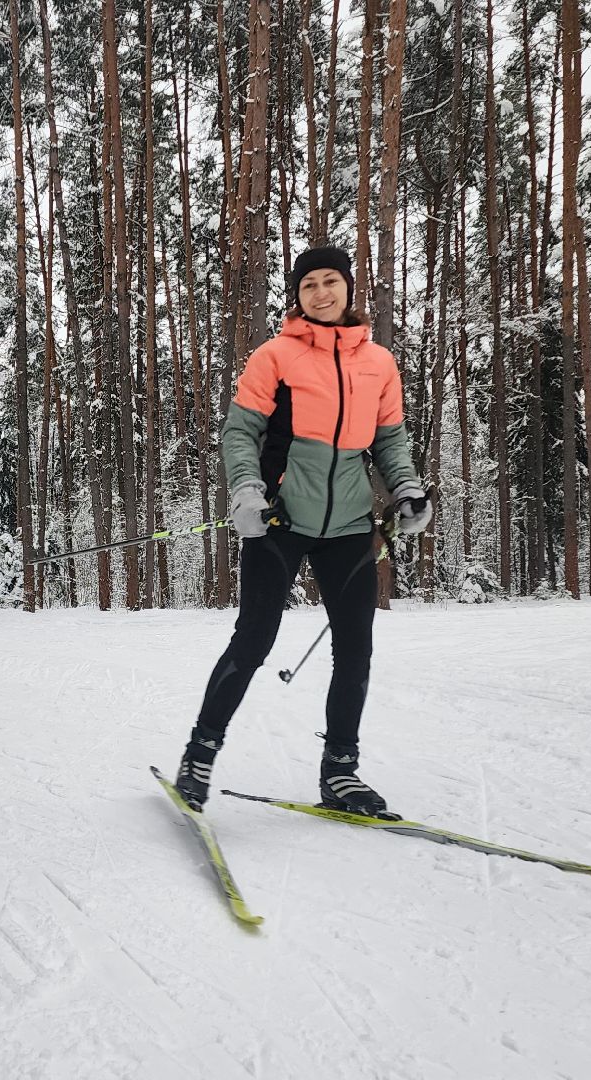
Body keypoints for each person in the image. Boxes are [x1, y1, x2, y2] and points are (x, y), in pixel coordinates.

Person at [175, 245, 432, 820]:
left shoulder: (378, 363)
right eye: (310, 283)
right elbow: (241, 431)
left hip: (348, 526)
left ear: (347, 289)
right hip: (277, 520)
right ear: (298, 295)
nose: (321, 292)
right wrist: (246, 489)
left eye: (331, 281)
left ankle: (340, 772)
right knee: (254, 639)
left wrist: (407, 489)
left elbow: (389, 439)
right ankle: (199, 754)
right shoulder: (276, 356)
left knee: (355, 649)